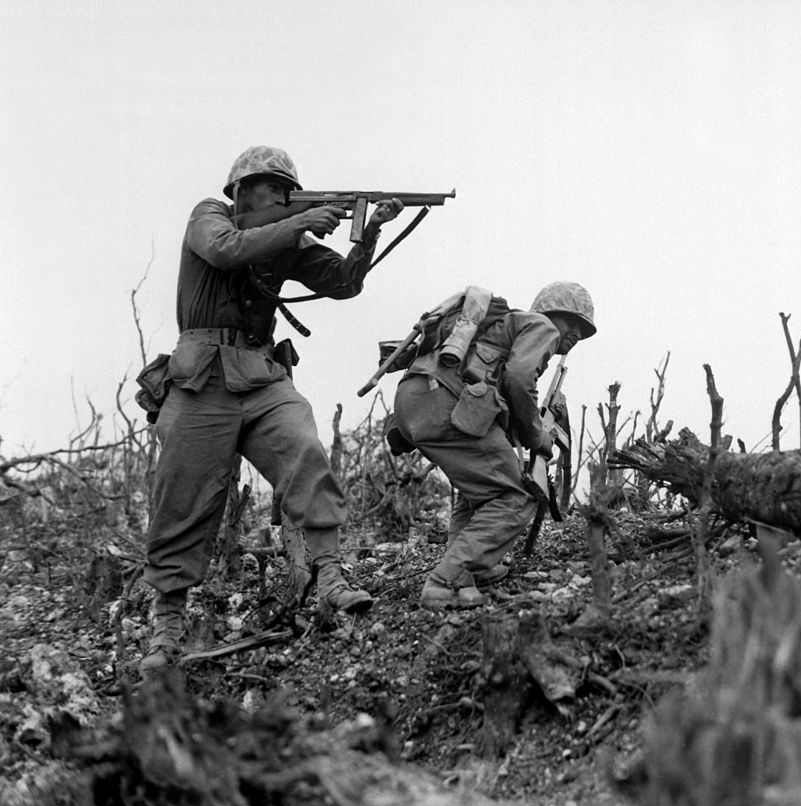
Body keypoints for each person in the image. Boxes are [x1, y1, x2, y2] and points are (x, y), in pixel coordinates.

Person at [139, 145, 403, 676]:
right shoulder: (209, 215)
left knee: (305, 450)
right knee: (182, 497)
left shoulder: (287, 238)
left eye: (288, 187)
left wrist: (369, 229)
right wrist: (300, 219)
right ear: (240, 190)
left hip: (260, 376)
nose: (282, 193)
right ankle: (167, 626)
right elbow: (225, 249)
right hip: (201, 381)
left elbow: (343, 283)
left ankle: (329, 575)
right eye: (270, 185)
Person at [390, 282, 596, 609]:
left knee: (482, 489)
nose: (575, 334)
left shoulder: (505, 331)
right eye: (573, 322)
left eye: (583, 331)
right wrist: (536, 437)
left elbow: (502, 398)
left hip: (415, 399)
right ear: (552, 313)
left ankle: (468, 572)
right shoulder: (541, 327)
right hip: (443, 399)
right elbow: (519, 378)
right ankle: (447, 580)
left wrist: (525, 432)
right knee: (517, 494)